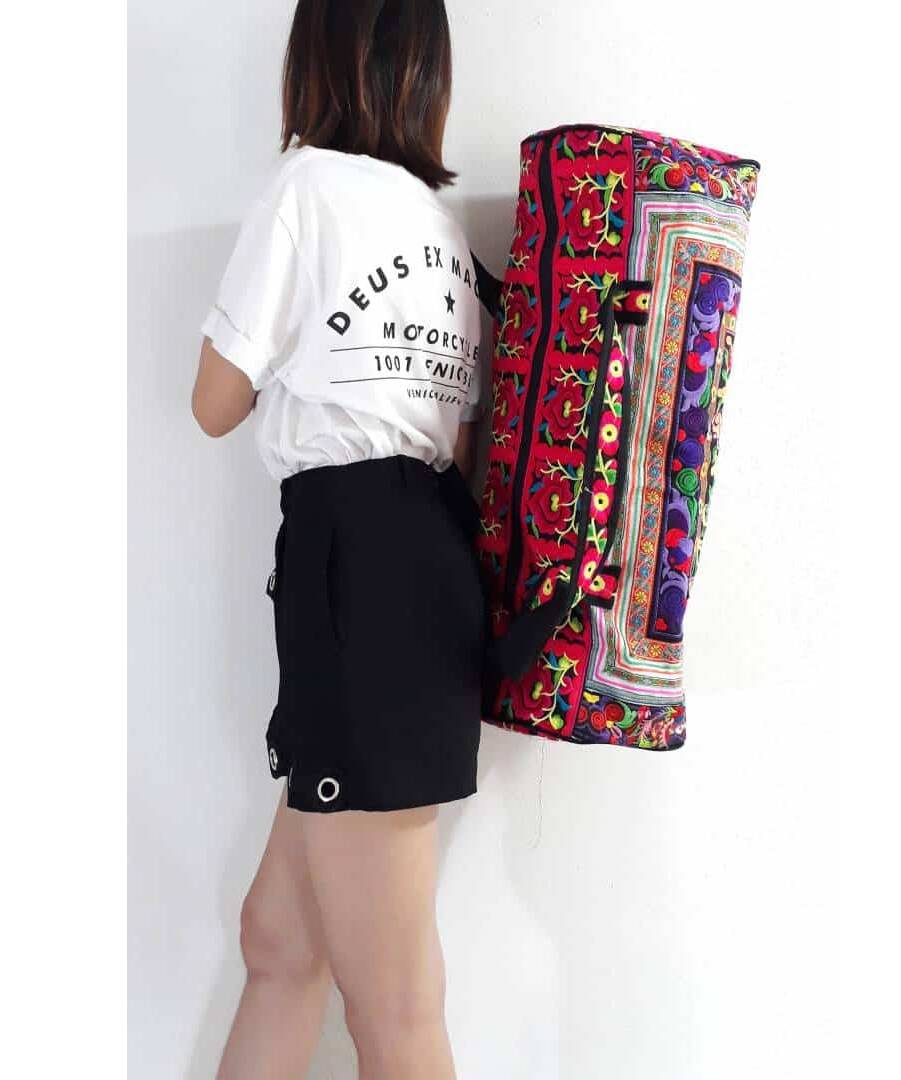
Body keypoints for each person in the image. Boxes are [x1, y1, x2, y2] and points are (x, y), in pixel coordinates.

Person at [191, 3, 487, 1077]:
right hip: (425, 566)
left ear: (313, 58)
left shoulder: (309, 188)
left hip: (355, 574)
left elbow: (214, 402)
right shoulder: (442, 234)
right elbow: (456, 444)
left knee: (394, 1003)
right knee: (280, 939)